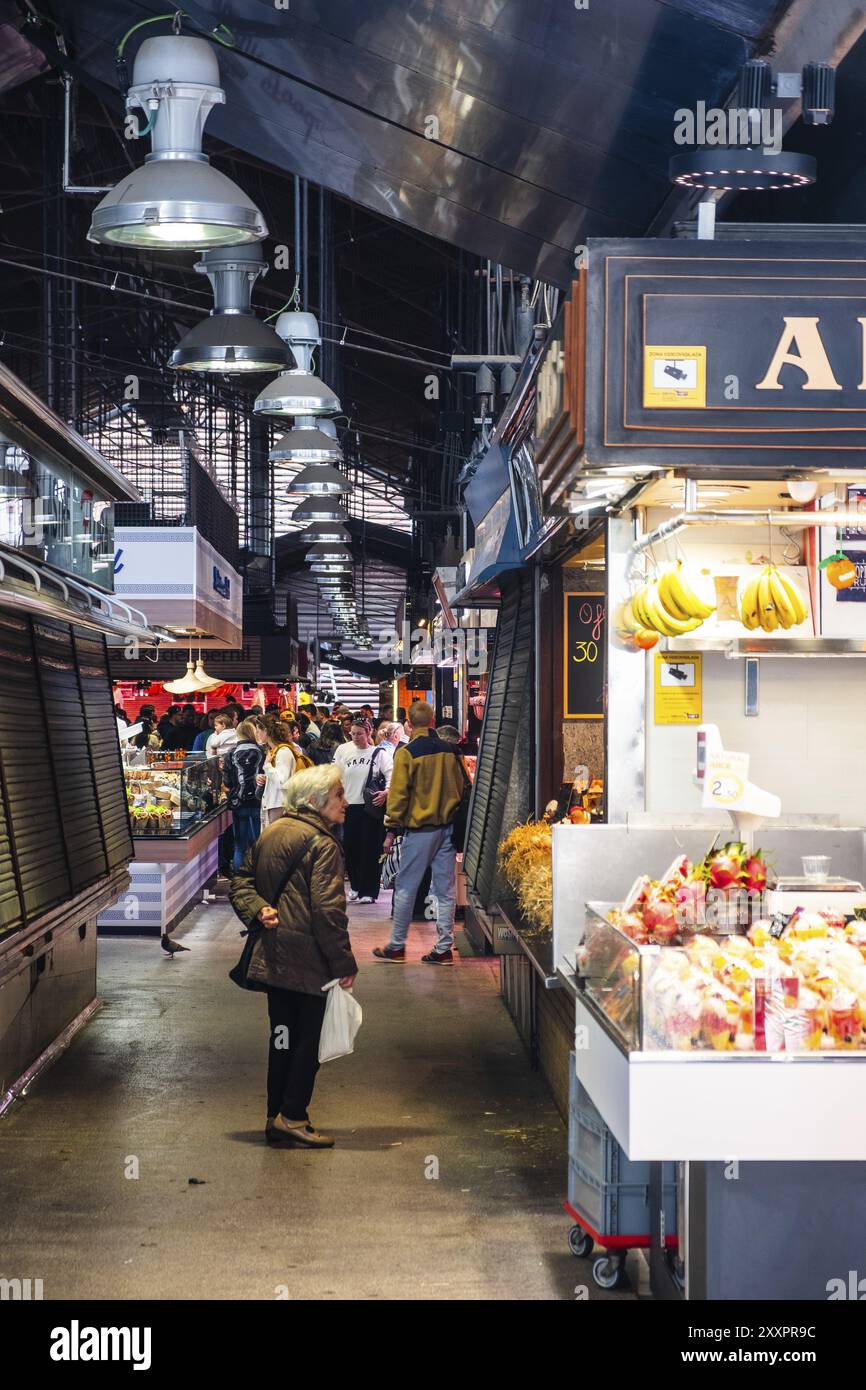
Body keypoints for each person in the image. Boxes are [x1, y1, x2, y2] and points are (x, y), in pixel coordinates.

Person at [229, 765, 357, 1149]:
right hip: (307, 960)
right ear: (317, 801)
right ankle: (294, 1116)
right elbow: (328, 913)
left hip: (274, 955)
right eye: (338, 795)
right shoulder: (323, 845)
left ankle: (276, 1116)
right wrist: (343, 963)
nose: (345, 803)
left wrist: (257, 909)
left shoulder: (274, 831)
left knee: (281, 1038)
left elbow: (241, 881)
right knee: (308, 1043)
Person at [373, 701, 468, 966]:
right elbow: (462, 787)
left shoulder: (407, 753)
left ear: (409, 725)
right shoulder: (451, 751)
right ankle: (443, 948)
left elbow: (399, 795)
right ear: (433, 720)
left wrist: (391, 829)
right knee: (446, 890)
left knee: (406, 887)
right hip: (447, 829)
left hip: (419, 830)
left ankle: (396, 946)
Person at [333, 717, 384, 903]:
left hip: (370, 807)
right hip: (348, 805)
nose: (355, 737)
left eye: (359, 733)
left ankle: (369, 890)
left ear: (368, 733)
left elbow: (392, 775)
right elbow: (335, 774)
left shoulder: (379, 753)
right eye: (352, 733)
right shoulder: (343, 750)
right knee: (351, 848)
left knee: (369, 849)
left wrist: (385, 792)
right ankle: (355, 885)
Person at [222, 718, 265, 870]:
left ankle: (239, 879)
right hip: (259, 801)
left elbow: (227, 782)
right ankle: (258, 877)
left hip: (238, 801)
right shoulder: (263, 751)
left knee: (239, 845)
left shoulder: (231, 753)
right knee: (257, 843)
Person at [260, 715, 296, 826]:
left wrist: (267, 766)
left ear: (266, 731)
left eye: (258, 729)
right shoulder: (274, 750)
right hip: (274, 804)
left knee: (276, 841)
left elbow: (282, 781)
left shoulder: (283, 751)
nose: (256, 733)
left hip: (279, 805)